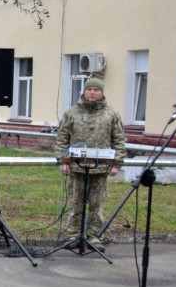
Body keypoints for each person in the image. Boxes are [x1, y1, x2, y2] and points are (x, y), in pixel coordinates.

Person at [53, 77, 125, 246]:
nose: (92, 92)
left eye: (96, 90)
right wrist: (63, 161)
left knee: (96, 204)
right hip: (77, 167)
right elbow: (62, 138)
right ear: (84, 91)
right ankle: (73, 235)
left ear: (102, 92)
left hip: (100, 169)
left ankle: (95, 236)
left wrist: (116, 163)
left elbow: (119, 139)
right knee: (76, 203)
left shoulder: (112, 114)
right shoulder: (71, 113)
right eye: (89, 89)